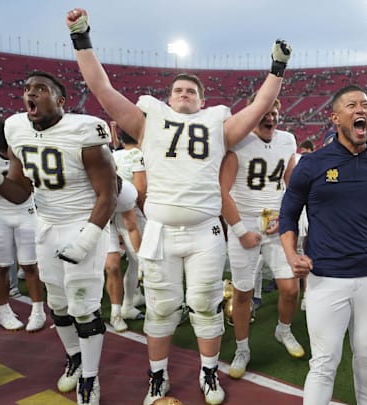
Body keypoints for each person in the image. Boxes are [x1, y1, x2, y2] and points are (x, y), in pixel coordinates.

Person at [65, 8, 291, 405]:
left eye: (191, 91)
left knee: (205, 306)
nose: (184, 95)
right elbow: (102, 89)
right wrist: (81, 37)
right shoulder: (149, 120)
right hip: (162, 232)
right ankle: (157, 377)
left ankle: (208, 373)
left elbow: (259, 107)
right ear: (168, 99)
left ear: (203, 100)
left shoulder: (218, 125)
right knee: (161, 309)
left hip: (206, 233)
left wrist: (277, 68)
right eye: (178, 91)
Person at [0, 71, 117, 405]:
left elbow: (109, 194)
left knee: (84, 307)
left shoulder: (83, 129)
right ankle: (74, 357)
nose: (31, 94)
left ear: (61, 100)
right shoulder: (16, 129)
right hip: (46, 225)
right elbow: (19, 193)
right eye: (27, 89)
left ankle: (90, 378)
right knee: (57, 304)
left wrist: (87, 239)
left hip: (84, 222)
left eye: (41, 89)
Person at [279, 85, 367, 405]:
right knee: (324, 362)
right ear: (335, 118)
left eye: (366, 105)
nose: (361, 109)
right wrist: (291, 255)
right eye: (352, 105)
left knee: (366, 357)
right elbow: (288, 215)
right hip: (326, 277)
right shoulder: (311, 164)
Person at [220, 95, 304, 379]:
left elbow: (291, 185)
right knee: (243, 293)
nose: (271, 117)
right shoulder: (239, 141)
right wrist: (242, 232)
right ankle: (242, 348)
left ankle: (283, 330)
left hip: (277, 223)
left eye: (275, 112)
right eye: (264, 112)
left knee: (291, 288)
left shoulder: (287, 141)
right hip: (244, 223)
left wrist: (285, 216)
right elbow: (222, 192)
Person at [0, 118, 46, 332]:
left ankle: (38, 311)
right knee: (1, 266)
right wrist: (0, 184)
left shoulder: (22, 153)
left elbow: (26, 188)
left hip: (26, 211)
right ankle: (4, 312)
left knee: (30, 264)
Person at [111, 122, 147, 317]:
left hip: (115, 211)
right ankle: (127, 305)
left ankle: (134, 297)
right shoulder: (138, 156)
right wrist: (147, 213)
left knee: (134, 261)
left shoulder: (114, 154)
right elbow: (141, 191)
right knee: (139, 261)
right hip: (132, 211)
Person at [104, 176, 142, 332]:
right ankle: (116, 313)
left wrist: (141, 256)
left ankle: (123, 309)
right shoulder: (84, 193)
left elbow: (131, 227)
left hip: (119, 215)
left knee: (138, 260)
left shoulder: (125, 193)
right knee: (111, 266)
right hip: (97, 219)